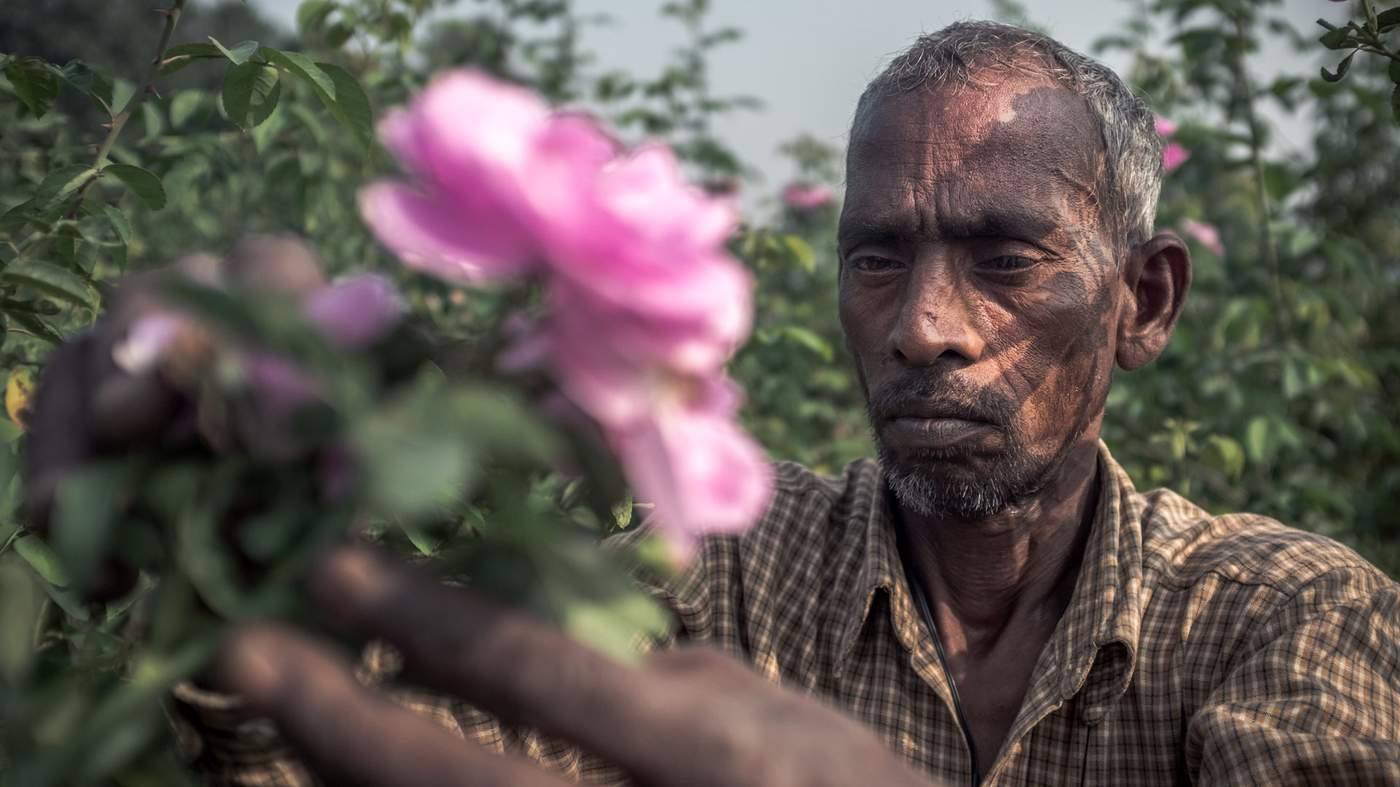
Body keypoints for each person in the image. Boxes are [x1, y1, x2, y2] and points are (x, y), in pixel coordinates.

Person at [25, 20, 1400, 787]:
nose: (924, 327)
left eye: (1003, 257)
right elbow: (356, 745)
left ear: (1146, 302)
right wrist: (217, 540)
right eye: (878, 257)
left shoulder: (1285, 617)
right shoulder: (717, 579)